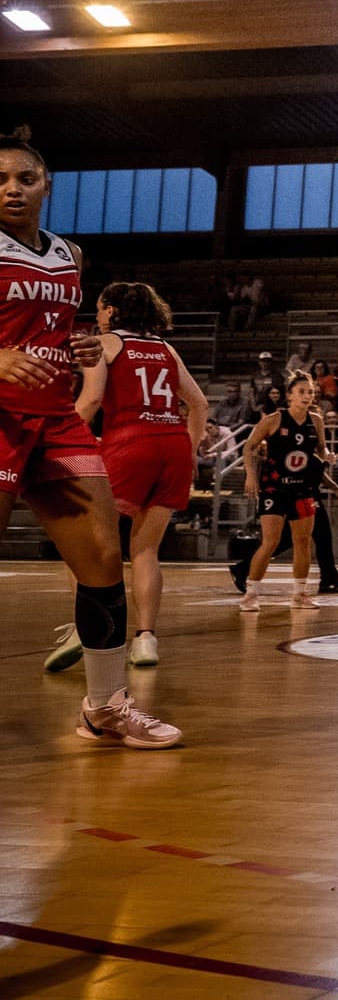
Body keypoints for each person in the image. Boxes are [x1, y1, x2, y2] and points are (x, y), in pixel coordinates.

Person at [5, 131, 183, 746]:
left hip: (55, 419)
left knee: (106, 561)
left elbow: (53, 329)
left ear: (46, 185)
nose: (11, 188)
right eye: (0, 180)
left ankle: (104, 707)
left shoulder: (70, 254)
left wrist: (79, 345)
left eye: (25, 178)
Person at [67, 282, 208, 666]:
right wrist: (189, 450)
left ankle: (87, 626)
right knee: (145, 549)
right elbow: (199, 405)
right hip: (173, 445)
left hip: (130, 444)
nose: (96, 315)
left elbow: (92, 399)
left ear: (112, 311)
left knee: (85, 543)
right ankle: (146, 640)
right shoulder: (166, 348)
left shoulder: (107, 344)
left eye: (99, 308)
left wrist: (58, 437)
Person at [238, 374, 331, 613]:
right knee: (270, 542)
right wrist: (250, 475)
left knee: (303, 542)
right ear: (289, 395)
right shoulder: (274, 419)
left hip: (302, 488)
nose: (307, 396)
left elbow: (321, 448)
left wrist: (327, 455)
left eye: (310, 392)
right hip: (274, 487)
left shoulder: (316, 421)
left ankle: (299, 594)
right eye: (302, 391)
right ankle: (250, 594)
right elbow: (248, 447)